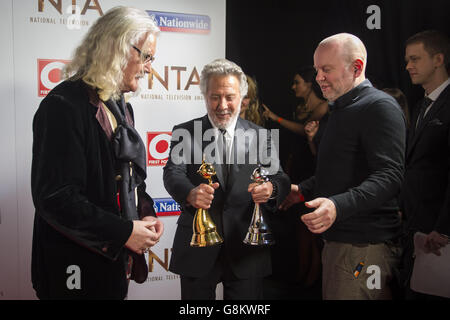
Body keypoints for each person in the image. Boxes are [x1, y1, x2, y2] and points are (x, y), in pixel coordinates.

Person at [31, 6, 164, 299]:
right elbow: (55, 198)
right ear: (116, 47)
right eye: (146, 56)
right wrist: (123, 232)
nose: (149, 67)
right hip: (73, 267)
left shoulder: (121, 106)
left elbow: (128, 179)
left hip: (113, 264)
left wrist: (144, 214)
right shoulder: (63, 105)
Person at [280, 33, 406, 300]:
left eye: (327, 69)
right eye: (317, 70)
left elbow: (390, 175)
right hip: (343, 245)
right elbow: (340, 172)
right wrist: (301, 191)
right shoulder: (340, 108)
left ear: (357, 67)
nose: (318, 78)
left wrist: (338, 206)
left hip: (363, 247)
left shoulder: (379, 107)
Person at [163, 58, 290, 300]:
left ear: (242, 98)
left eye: (229, 97)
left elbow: (280, 177)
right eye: (214, 97)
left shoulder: (260, 135)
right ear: (205, 96)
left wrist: (271, 189)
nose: (222, 105)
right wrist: (190, 193)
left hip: (247, 248)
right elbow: (172, 173)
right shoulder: (185, 132)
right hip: (197, 245)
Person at [401, 30, 450, 300]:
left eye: (415, 59)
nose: (408, 66)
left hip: (439, 234)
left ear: (439, 59)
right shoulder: (421, 105)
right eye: (407, 60)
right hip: (415, 228)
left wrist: (443, 227)